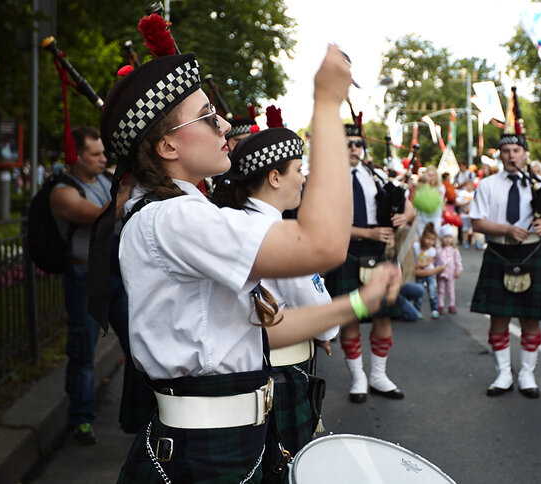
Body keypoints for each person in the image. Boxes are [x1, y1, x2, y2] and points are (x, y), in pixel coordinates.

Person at [97, 49, 401, 483]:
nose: (223, 125)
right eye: (206, 117)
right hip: (204, 454)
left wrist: (355, 304)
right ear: (167, 146)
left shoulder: (179, 213)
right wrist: (327, 104)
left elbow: (257, 332)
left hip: (228, 441)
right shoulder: (175, 219)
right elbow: (323, 244)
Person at [211, 127, 349, 454]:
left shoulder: (229, 221)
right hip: (283, 373)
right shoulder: (280, 232)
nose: (303, 178)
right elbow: (322, 314)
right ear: (275, 177)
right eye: (298, 170)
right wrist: (326, 331)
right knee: (284, 462)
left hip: (245, 369)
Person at [49, 126, 147, 444]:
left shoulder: (105, 179)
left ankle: (140, 413)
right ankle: (82, 420)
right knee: (83, 353)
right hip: (84, 281)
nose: (104, 158)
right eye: (96, 153)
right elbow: (100, 217)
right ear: (76, 156)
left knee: (138, 345)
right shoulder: (63, 191)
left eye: (105, 153)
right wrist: (126, 191)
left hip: (114, 276)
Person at [470, 128, 541, 399]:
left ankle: (527, 373)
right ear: (500, 156)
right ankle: (503, 373)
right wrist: (506, 229)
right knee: (499, 319)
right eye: (506, 151)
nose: (511, 156)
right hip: (499, 251)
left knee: (531, 319)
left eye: (516, 151)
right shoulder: (488, 185)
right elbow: (477, 222)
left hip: (531, 254)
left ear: (525, 154)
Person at [326, 116, 414, 405]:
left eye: (358, 144)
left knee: (382, 316)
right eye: (348, 144)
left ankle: (378, 375)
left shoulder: (373, 175)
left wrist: (405, 215)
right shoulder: (326, 178)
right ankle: (358, 378)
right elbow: (324, 223)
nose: (354, 149)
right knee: (351, 316)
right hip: (345, 252)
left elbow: (406, 204)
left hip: (375, 255)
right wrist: (369, 232)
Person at [413, 223, 442, 318]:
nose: (430, 242)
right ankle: (417, 310)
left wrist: (418, 265)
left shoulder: (432, 250)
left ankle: (434, 309)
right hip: (419, 274)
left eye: (433, 240)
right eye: (428, 239)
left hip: (429, 273)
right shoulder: (416, 246)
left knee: (432, 290)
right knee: (418, 292)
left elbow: (428, 263)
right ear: (423, 237)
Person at [436, 224, 463, 315]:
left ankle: (451, 305)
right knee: (441, 289)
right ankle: (440, 305)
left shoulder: (454, 250)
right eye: (445, 237)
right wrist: (434, 270)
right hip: (441, 273)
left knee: (451, 290)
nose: (448, 239)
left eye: (450, 237)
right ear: (441, 238)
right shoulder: (439, 249)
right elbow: (435, 260)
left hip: (451, 273)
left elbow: (458, 261)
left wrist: (458, 270)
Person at [456, 179, 476, 248]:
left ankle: (477, 242)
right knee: (465, 229)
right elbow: (457, 203)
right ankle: (465, 242)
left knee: (474, 229)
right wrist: (465, 203)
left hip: (473, 215)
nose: (469, 187)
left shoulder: (475, 193)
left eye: (470, 185)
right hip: (464, 214)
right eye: (467, 185)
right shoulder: (462, 193)